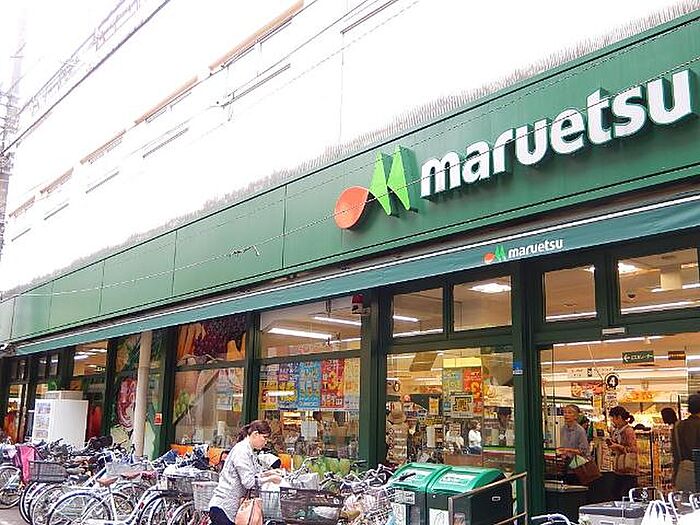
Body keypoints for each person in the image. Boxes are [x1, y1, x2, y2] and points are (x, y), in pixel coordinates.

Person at [208, 420, 282, 525]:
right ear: (255, 434)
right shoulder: (241, 451)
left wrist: (270, 473)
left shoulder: (249, 451)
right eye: (264, 438)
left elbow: (255, 473)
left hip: (230, 509)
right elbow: (248, 482)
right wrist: (270, 479)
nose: (265, 442)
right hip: (224, 508)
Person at [607, 406, 638, 500]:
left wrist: (619, 447)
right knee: (616, 493)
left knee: (626, 494)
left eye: (613, 418)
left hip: (628, 469)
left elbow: (633, 449)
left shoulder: (628, 431)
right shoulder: (616, 431)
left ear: (619, 417)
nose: (612, 421)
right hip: (619, 468)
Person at [671, 394, 700, 492]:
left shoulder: (678, 426)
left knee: (686, 500)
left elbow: (675, 454)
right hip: (697, 474)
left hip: (684, 473)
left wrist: (675, 476)